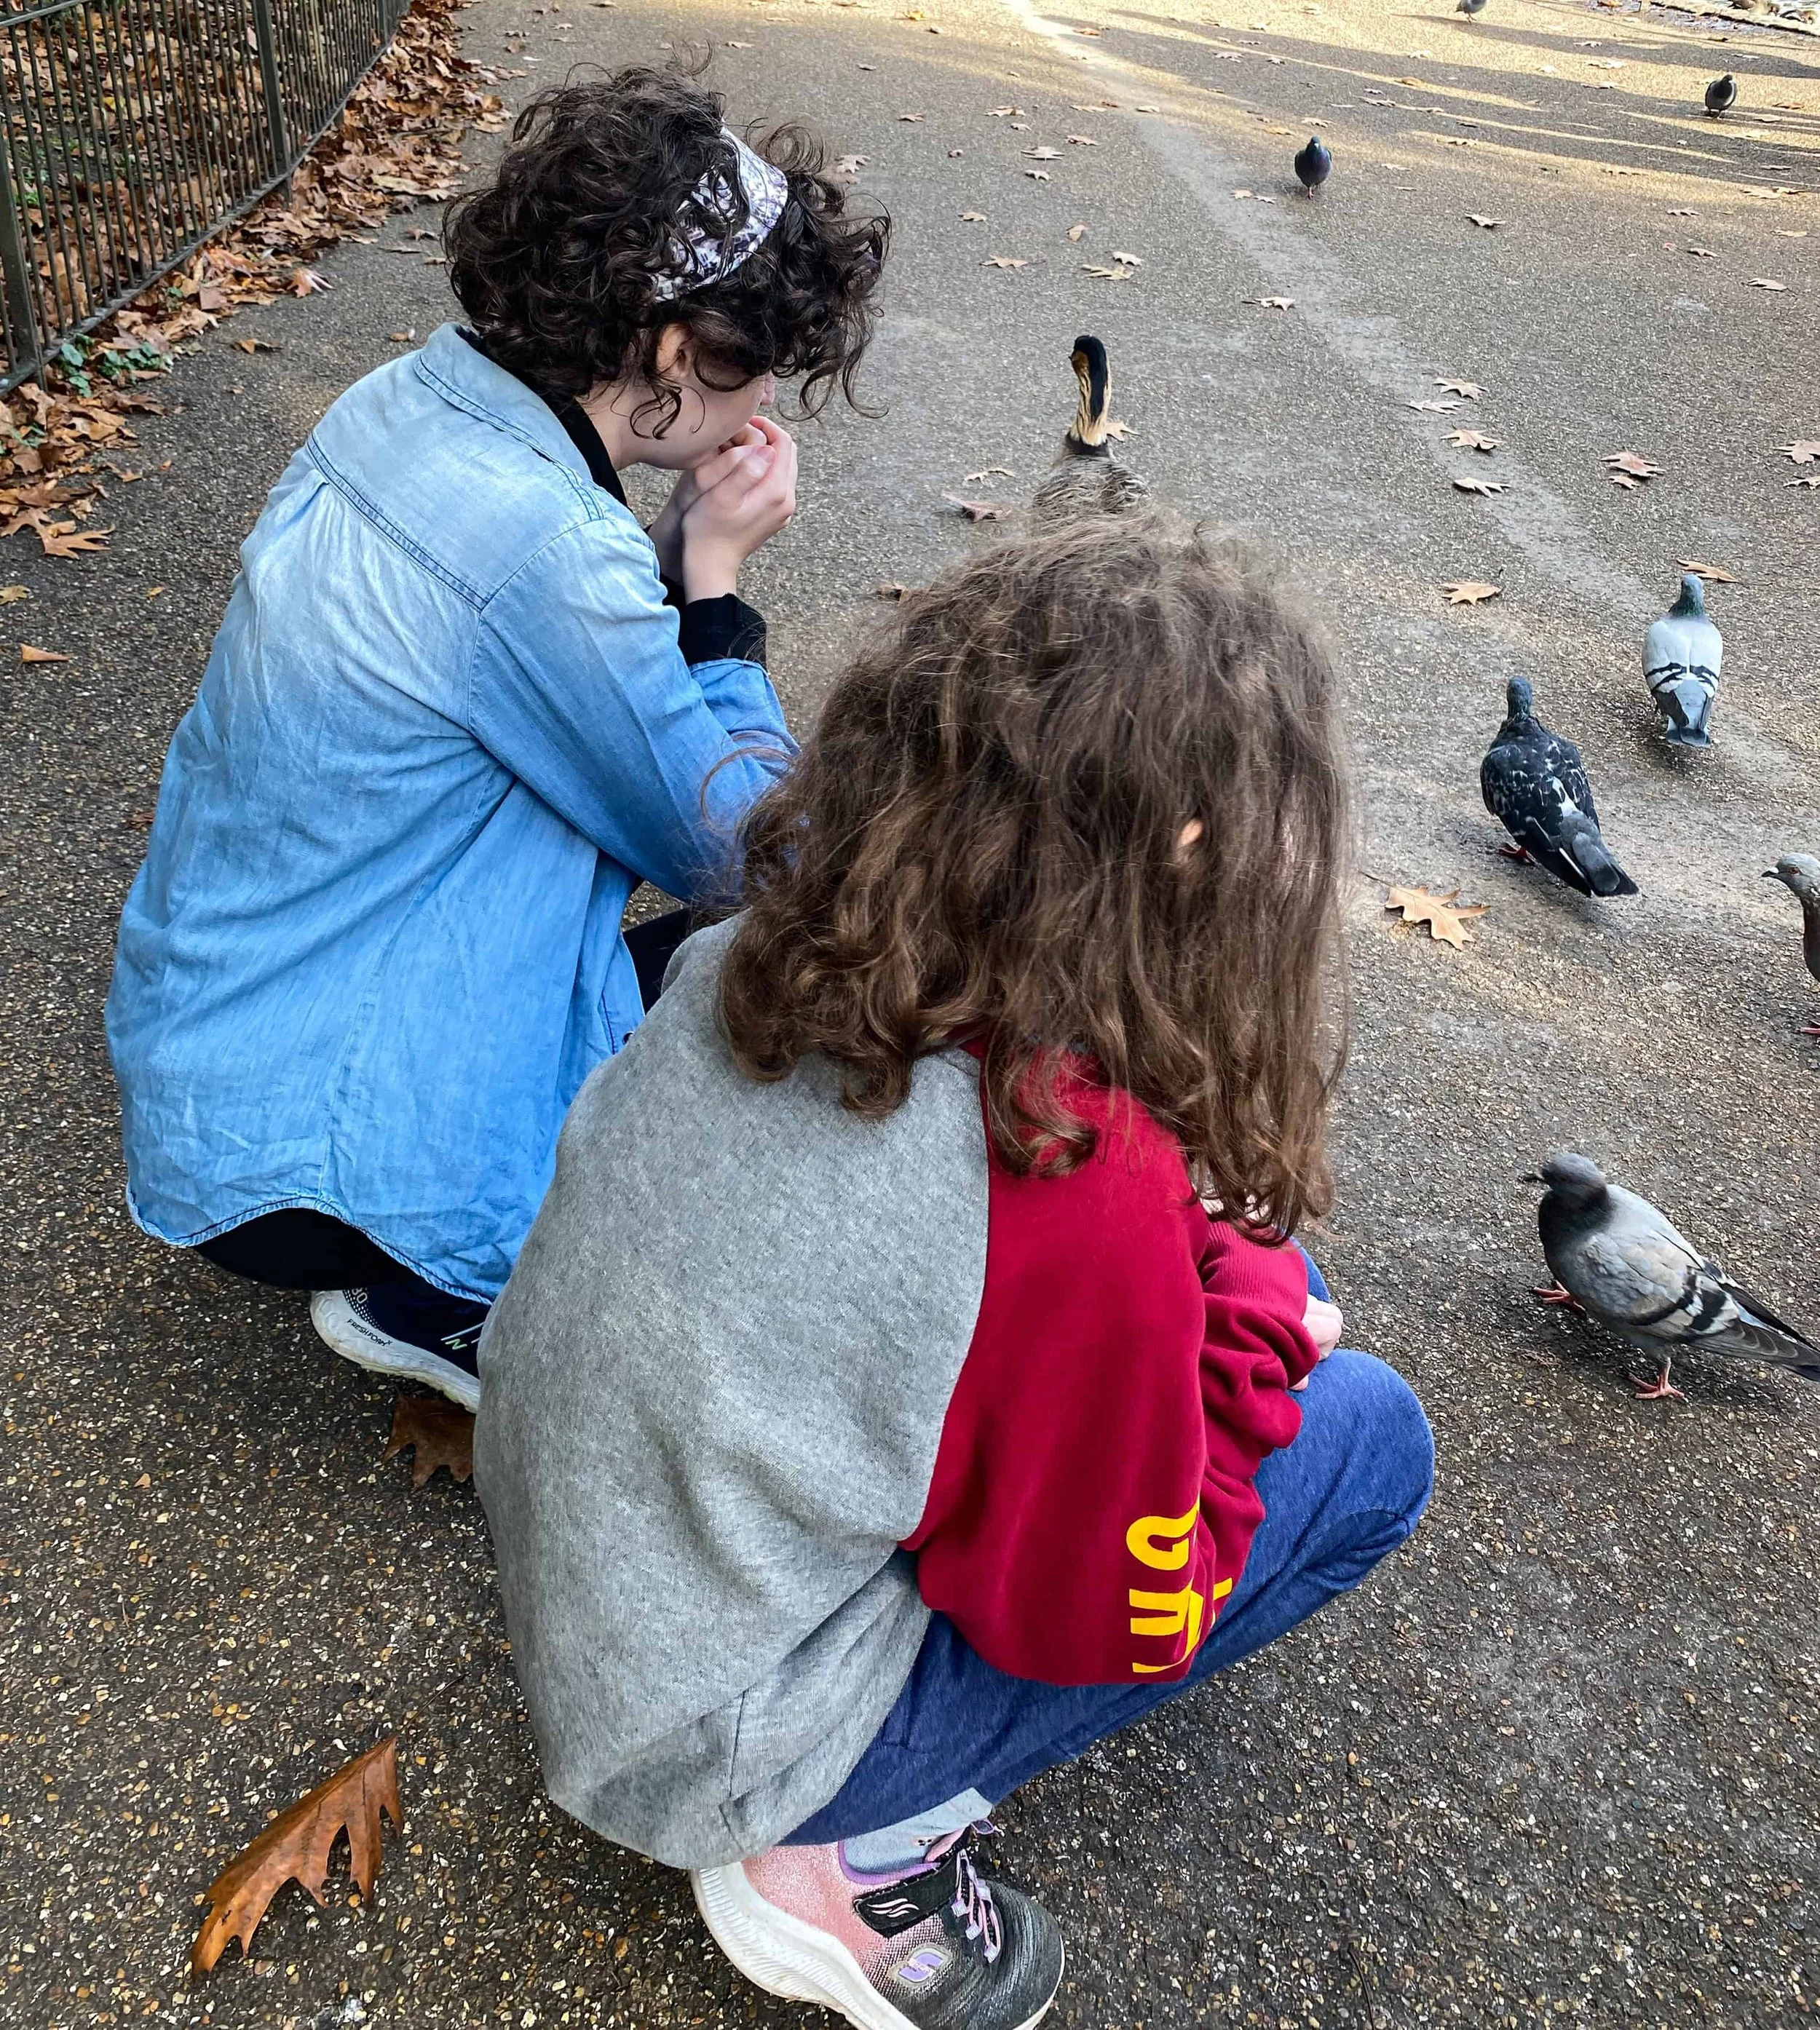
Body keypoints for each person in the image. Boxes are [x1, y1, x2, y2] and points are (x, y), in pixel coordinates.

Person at [475, 512, 1435, 2030]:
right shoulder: (1069, 1178)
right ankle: (841, 1851)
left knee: (1213, 1274)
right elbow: (1101, 1611)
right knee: (1371, 1437)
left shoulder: (762, 946)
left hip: (606, 1557)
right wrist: (1247, 1343)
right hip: (709, 1732)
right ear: (1187, 846)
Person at [104, 68, 887, 1409]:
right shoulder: (544, 545)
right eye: (750, 366)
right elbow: (743, 848)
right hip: (315, 1158)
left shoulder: (408, 401)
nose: (759, 413)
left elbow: (533, 665)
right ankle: (442, 1285)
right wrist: (715, 591)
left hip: (213, 1067)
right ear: (668, 342)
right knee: (806, 938)